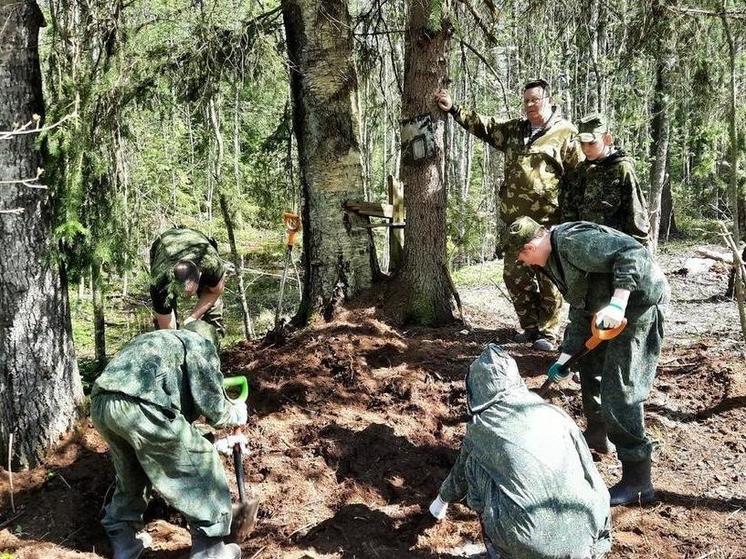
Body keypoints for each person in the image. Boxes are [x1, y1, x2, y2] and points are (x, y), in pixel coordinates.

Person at [509, 216, 669, 506]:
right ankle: (598, 434)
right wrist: (566, 357)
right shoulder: (553, 260)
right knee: (589, 366)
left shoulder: (572, 242)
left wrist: (619, 302)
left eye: (522, 256)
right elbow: (581, 309)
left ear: (531, 246)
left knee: (621, 392)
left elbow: (632, 253)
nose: (524, 263)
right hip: (606, 313)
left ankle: (638, 481)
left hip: (638, 307)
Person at [434, 80, 583, 351]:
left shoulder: (565, 133)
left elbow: (578, 178)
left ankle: (548, 333)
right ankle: (529, 328)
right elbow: (486, 127)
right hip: (515, 224)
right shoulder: (516, 130)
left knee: (548, 278)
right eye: (525, 101)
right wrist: (454, 109)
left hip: (548, 223)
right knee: (514, 276)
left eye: (534, 100)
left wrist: (571, 221)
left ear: (548, 100)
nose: (529, 105)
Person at [428, 344, 611, 558]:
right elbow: (588, 467)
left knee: (473, 464)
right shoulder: (553, 412)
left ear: (476, 390)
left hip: (530, 546)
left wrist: (440, 502)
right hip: (592, 533)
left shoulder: (483, 426)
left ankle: (500, 552)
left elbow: (459, 476)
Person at [90, 320, 247, 559]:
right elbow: (212, 406)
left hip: (103, 404)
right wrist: (237, 412)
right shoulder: (199, 343)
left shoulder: (158, 340)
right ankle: (211, 551)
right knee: (202, 462)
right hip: (143, 405)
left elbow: (178, 412)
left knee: (133, 473)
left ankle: (125, 543)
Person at [561, 114, 650, 245]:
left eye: (592, 143)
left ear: (607, 139)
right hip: (584, 248)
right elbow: (570, 212)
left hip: (615, 248)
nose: (585, 149)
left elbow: (636, 216)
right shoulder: (580, 171)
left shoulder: (622, 169)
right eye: (582, 143)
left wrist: (639, 252)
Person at [149, 226, 226, 335]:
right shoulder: (160, 282)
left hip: (196, 240)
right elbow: (167, 329)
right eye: (181, 294)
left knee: (214, 309)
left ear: (200, 276)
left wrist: (192, 317)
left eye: (190, 293)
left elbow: (215, 291)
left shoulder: (212, 265)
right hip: (165, 247)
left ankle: (215, 343)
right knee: (165, 334)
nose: (186, 299)